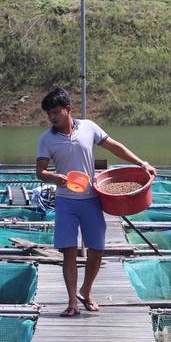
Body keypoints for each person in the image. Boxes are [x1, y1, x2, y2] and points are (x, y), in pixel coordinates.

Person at [35, 87, 156, 317]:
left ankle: (86, 291)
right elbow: (40, 172)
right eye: (48, 114)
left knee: (97, 250)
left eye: (55, 113)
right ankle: (72, 302)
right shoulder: (47, 139)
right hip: (65, 201)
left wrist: (142, 164)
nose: (51, 118)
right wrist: (54, 177)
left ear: (68, 110)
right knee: (68, 252)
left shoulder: (88, 128)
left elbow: (114, 146)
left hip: (90, 198)